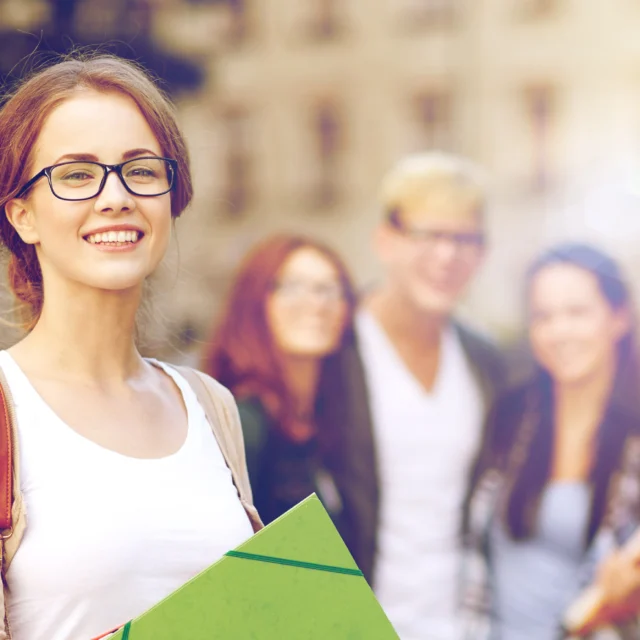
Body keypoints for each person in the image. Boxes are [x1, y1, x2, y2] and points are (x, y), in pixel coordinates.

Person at [0, 55, 261, 640]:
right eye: (75, 174)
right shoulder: (5, 407)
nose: (116, 197)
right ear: (22, 215)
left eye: (141, 171)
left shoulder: (211, 407)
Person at [318, 152, 506, 639]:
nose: (448, 257)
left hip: (459, 627)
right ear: (387, 240)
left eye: (465, 239)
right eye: (428, 235)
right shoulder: (334, 351)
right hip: (351, 625)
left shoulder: (484, 360)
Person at [461, 243, 640, 640]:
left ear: (619, 318)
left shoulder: (634, 440)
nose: (559, 332)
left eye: (577, 312)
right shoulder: (509, 416)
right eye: (544, 316)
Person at [203, 234, 356, 525]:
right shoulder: (244, 423)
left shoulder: (329, 420)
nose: (316, 304)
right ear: (255, 301)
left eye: (329, 289)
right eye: (292, 287)